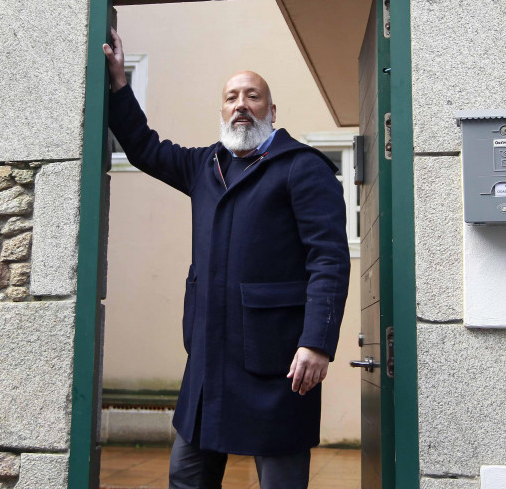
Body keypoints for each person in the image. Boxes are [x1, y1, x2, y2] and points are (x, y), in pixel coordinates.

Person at [103, 29, 350, 489]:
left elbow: (329, 260)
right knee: (186, 479)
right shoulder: (204, 165)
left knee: (280, 483)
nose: (241, 105)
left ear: (271, 111)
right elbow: (144, 148)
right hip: (208, 358)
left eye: (252, 96)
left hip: (278, 362)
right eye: (231, 97)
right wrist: (120, 85)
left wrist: (317, 342)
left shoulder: (303, 167)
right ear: (222, 111)